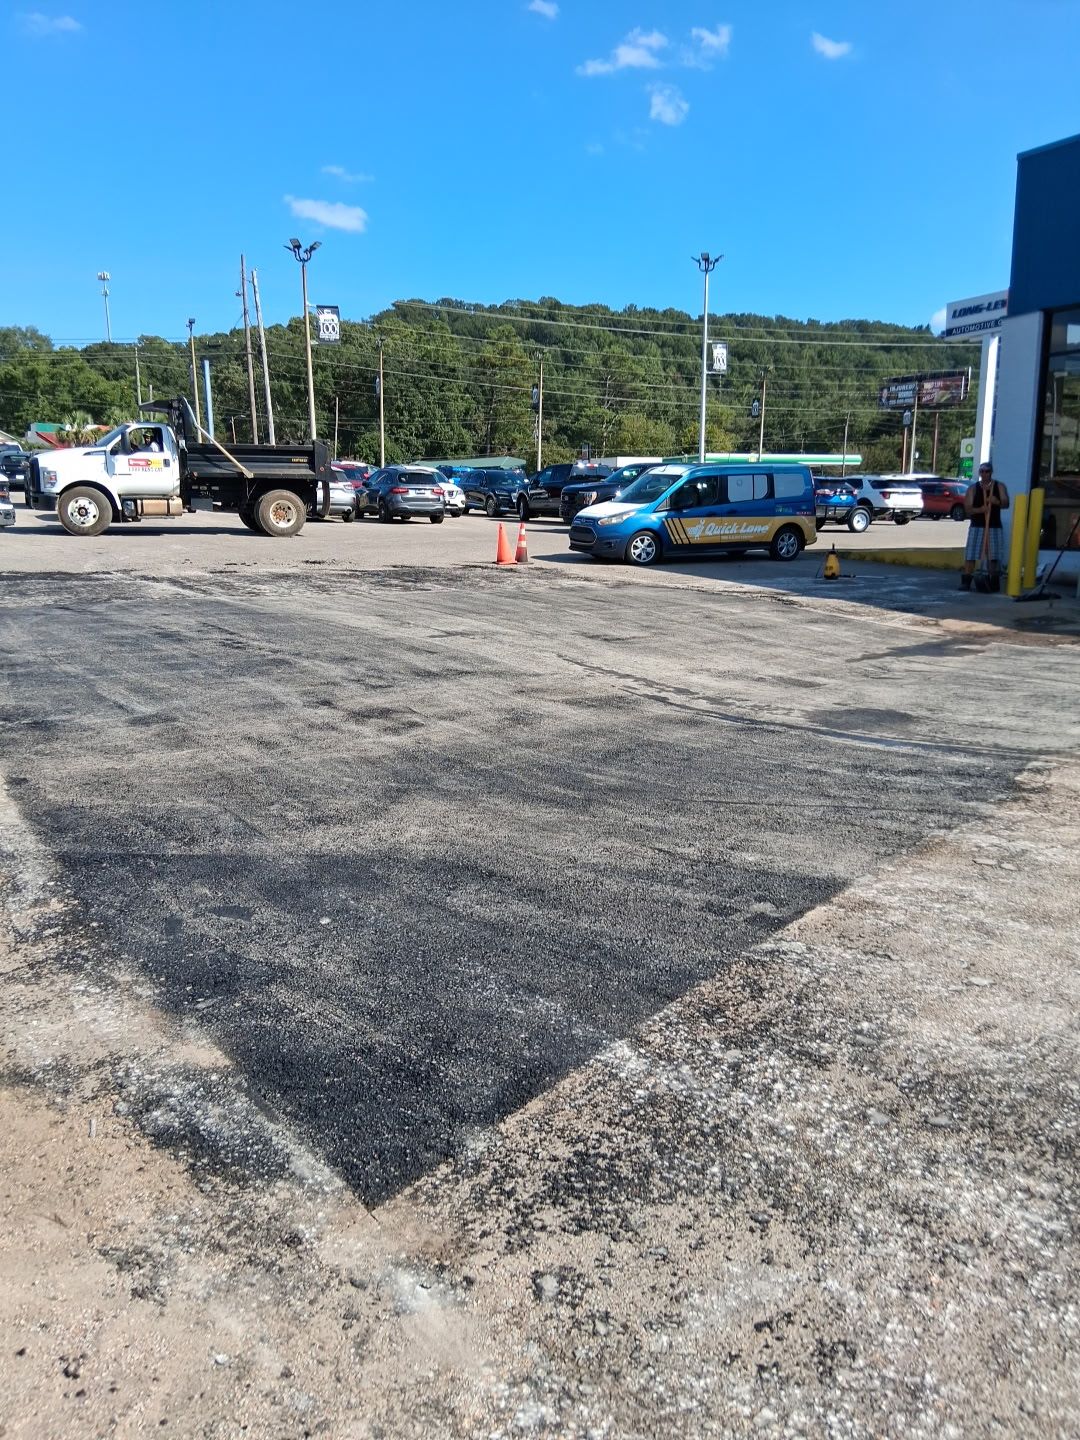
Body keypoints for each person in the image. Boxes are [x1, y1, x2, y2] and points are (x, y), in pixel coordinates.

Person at [960, 461, 1009, 591]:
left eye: (987, 471)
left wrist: (996, 502)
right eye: (982, 471)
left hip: (994, 526)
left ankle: (993, 581)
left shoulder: (999, 487)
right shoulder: (973, 488)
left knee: (993, 555)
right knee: (971, 554)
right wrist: (980, 510)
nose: (984, 474)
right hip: (977, 526)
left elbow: (1006, 503)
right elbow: (968, 509)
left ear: (991, 472)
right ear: (979, 473)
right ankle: (966, 581)